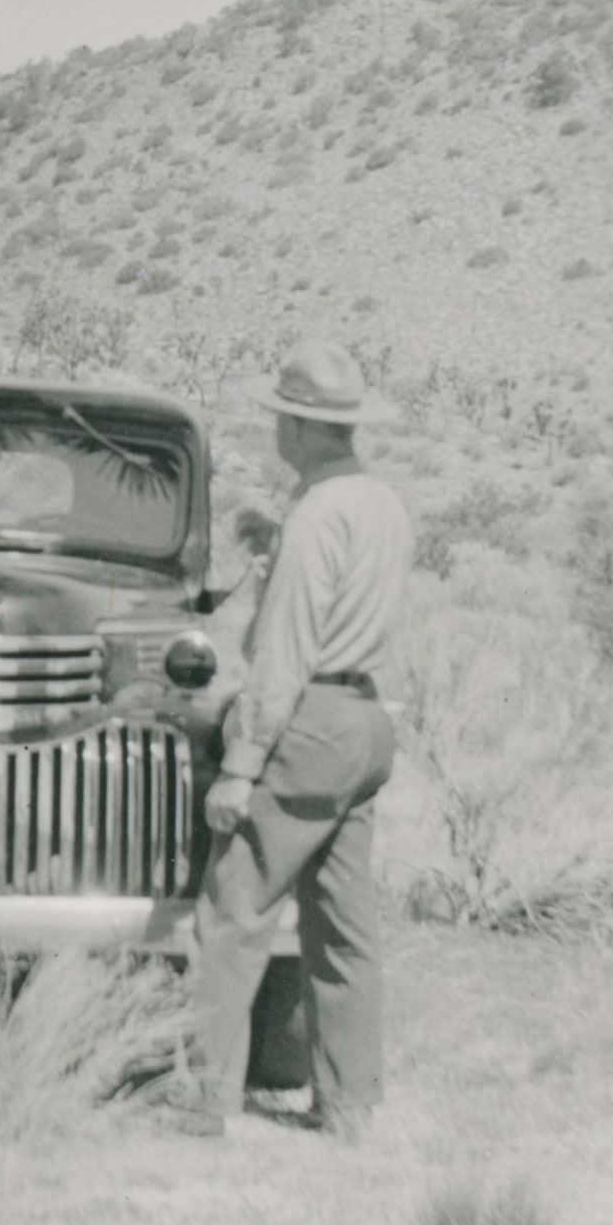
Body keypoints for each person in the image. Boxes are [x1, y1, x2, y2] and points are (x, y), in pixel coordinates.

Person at [174, 338, 409, 1138]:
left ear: (304, 429)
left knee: (233, 909)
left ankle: (204, 1105)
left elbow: (284, 655)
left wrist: (240, 767)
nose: (275, 429)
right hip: (366, 722)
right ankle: (349, 1106)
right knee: (343, 925)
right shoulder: (379, 504)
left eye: (282, 417)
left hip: (307, 721)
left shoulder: (316, 515)